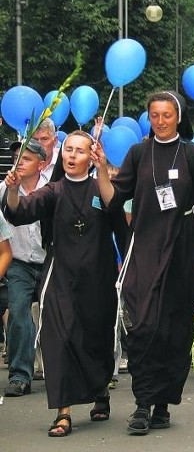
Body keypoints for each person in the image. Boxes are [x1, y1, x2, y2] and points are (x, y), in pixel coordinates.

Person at [92, 91, 194, 435]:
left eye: (167, 115)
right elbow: (112, 199)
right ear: (149, 118)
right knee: (144, 327)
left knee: (175, 329)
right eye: (155, 115)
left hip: (182, 247)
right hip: (146, 247)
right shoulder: (139, 153)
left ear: (178, 117)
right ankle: (141, 403)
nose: (161, 121)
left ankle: (163, 403)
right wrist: (101, 170)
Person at [4, 132, 123, 437]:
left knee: (94, 336)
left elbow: (116, 213)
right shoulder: (53, 190)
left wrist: (104, 170)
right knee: (59, 338)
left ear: (90, 156)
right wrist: (13, 190)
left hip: (98, 278)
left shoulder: (101, 187)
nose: (72, 156)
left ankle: (100, 393)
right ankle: (63, 412)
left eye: (79, 151)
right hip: (59, 277)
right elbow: (19, 211)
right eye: (68, 149)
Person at [1, 140, 47, 398]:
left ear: (41, 164)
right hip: (19, 263)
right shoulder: (3, 189)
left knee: (55, 317)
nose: (18, 164)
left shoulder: (51, 188)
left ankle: (60, 370)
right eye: (16, 158)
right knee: (18, 313)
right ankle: (20, 375)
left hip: (50, 260)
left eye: (25, 159)